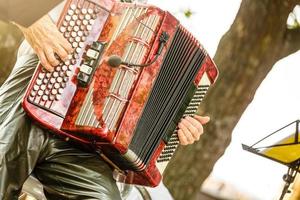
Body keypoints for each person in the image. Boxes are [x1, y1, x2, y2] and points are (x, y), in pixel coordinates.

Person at [0, 3, 210, 200]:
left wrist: (170, 123)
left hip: (83, 139)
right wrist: (32, 21)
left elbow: (134, 97)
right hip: (36, 90)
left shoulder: (144, 16)